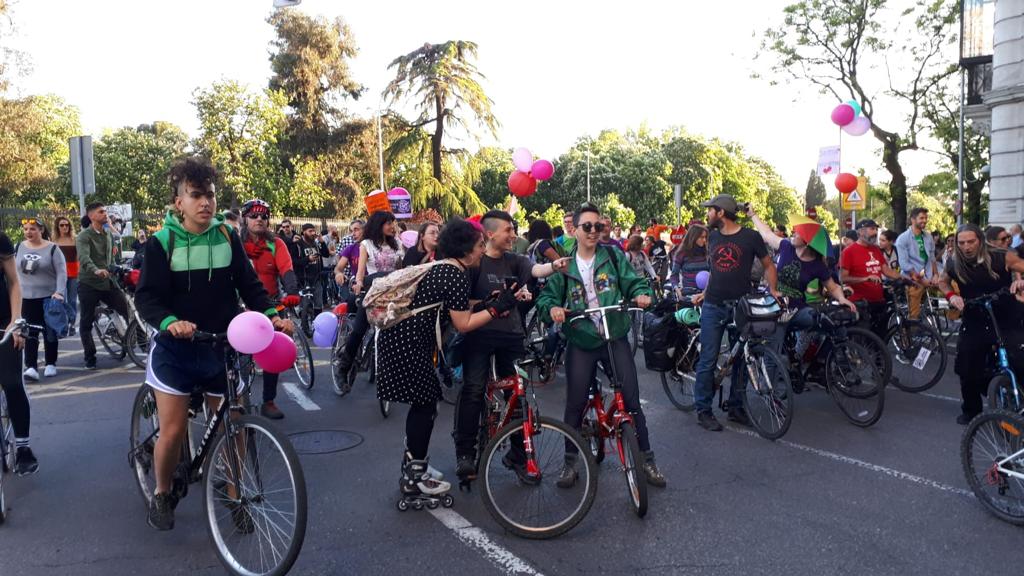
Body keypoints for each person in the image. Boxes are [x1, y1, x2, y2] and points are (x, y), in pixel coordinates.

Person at [134, 156, 292, 531]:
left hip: (221, 345)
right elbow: (147, 299)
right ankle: (161, 492)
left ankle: (234, 493)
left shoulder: (226, 237)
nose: (205, 202)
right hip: (176, 349)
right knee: (173, 431)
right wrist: (171, 323)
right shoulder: (162, 243)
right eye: (196, 195)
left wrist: (271, 315)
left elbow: (249, 286)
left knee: (234, 424)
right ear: (179, 203)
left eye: (210, 195)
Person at [375, 218, 516, 504]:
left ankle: (415, 466)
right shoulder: (455, 274)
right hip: (408, 343)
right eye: (479, 245)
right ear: (466, 249)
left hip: (403, 340)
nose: (482, 250)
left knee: (425, 404)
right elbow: (463, 323)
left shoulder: (448, 268)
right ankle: (414, 478)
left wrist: (486, 303)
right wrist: (495, 309)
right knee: (425, 405)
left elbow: (455, 306)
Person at [537, 203, 666, 487]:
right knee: (575, 402)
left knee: (631, 401)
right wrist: (553, 309)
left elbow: (633, 283)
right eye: (587, 226)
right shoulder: (564, 265)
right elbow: (547, 299)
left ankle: (647, 460)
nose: (594, 231)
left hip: (614, 335)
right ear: (575, 230)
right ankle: (570, 463)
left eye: (598, 226)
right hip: (581, 338)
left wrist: (642, 294)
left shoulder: (613, 256)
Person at [453, 210, 567, 482]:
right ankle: (465, 454)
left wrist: (554, 266)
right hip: (479, 335)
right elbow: (461, 303)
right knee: (473, 390)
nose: (514, 235)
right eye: (509, 230)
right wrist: (487, 303)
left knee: (518, 394)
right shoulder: (474, 262)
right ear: (490, 233)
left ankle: (519, 455)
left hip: (512, 336)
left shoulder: (516, 260)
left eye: (514, 230)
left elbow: (537, 269)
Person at [691, 194, 780, 432]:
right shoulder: (713, 236)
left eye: (710, 209)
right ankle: (703, 410)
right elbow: (715, 270)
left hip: (741, 306)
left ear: (721, 212)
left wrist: (773, 290)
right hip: (713, 305)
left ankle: (736, 407)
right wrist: (705, 292)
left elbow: (768, 265)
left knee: (741, 358)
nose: (707, 213)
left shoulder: (750, 237)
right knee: (708, 358)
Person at [938, 224, 1024, 424]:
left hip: (1005, 314)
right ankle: (971, 411)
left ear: (980, 240)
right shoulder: (954, 263)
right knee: (967, 364)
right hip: (975, 315)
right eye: (961, 243)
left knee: (1019, 359)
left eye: (971, 242)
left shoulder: (1001, 256)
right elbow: (942, 282)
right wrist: (951, 296)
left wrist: (1020, 282)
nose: (966, 247)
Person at [748, 209, 855, 365]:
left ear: (807, 242)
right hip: (774, 306)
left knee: (829, 321)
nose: (793, 233)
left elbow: (832, 287)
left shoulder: (818, 265)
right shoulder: (786, 246)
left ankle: (819, 362)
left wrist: (842, 299)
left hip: (797, 310)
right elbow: (766, 234)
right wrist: (752, 215)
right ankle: (772, 380)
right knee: (772, 355)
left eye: (798, 233)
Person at [240, 199, 302, 420]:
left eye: (264, 216)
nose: (259, 219)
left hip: (270, 305)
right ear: (244, 219)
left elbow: (286, 268)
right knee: (239, 358)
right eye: (254, 215)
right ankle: (240, 401)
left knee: (272, 352)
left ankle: (268, 401)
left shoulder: (277, 243)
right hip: (241, 307)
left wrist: (292, 291)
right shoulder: (235, 244)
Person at [336, 210, 405, 377]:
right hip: (373, 290)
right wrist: (359, 283)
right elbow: (361, 271)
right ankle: (343, 368)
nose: (392, 226)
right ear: (378, 225)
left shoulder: (398, 243)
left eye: (393, 223)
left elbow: (401, 270)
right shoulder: (366, 244)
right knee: (359, 329)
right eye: (388, 223)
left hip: (393, 293)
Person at [76, 202, 133, 370]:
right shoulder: (84, 236)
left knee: (128, 310)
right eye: (101, 212)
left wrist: (117, 268)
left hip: (108, 282)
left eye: (105, 211)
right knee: (86, 322)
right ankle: (90, 357)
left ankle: (143, 346)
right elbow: (84, 258)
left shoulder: (107, 233)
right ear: (91, 216)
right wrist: (95, 270)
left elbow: (111, 258)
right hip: (89, 283)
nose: (105, 214)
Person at [0, 230, 38, 475]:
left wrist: (16, 322)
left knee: (12, 383)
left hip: (4, 322)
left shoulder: (1, 241)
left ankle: (23, 447)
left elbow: (14, 282)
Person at [15, 217, 67, 380]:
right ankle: (31, 366)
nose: (28, 232)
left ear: (41, 230)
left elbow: (62, 272)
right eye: (26, 229)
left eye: (32, 229)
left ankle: (51, 363)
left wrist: (59, 292)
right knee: (29, 332)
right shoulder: (19, 247)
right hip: (26, 298)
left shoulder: (52, 248)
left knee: (49, 331)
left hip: (48, 297)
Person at [839, 219, 903, 339]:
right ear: (861, 231)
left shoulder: (875, 249)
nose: (875, 232)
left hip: (879, 302)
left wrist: (905, 278)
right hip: (860, 304)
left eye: (876, 229)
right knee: (864, 340)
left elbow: (886, 270)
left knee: (881, 338)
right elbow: (843, 278)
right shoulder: (848, 252)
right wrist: (865, 278)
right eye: (872, 229)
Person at [895, 208, 939, 320]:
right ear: (913, 220)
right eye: (921, 218)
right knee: (915, 297)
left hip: (928, 274)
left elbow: (932, 258)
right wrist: (921, 280)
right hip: (912, 278)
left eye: (926, 218)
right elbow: (904, 264)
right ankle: (912, 327)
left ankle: (952, 321)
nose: (924, 220)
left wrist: (936, 275)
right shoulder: (902, 239)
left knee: (953, 287)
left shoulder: (928, 237)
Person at [294, 223, 331, 317]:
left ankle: (317, 322)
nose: (313, 233)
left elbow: (326, 254)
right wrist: (308, 259)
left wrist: (322, 242)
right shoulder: (298, 245)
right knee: (305, 305)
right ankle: (304, 323)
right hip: (303, 279)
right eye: (310, 231)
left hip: (316, 278)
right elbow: (294, 262)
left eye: (314, 231)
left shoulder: (316, 244)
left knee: (318, 303)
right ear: (304, 232)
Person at [53, 216, 79, 334]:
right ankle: (65, 322)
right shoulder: (54, 241)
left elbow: (79, 256)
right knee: (61, 299)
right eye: (62, 225)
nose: (65, 227)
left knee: (72, 300)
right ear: (57, 227)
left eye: (67, 225)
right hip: (59, 273)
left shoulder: (75, 239)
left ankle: (72, 324)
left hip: (73, 272)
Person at [671, 224, 710, 294]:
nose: (704, 240)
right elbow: (674, 275)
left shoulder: (707, 253)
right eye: (701, 237)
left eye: (705, 237)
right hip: (689, 293)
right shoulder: (681, 253)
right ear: (693, 237)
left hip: (706, 294)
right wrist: (676, 288)